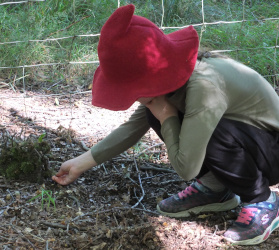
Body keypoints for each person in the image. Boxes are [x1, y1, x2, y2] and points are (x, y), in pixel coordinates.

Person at [52, 4, 279, 246]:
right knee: (153, 116)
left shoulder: (204, 88)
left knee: (206, 129)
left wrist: (168, 118)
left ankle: (261, 200)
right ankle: (217, 188)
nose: (129, 97)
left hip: (271, 150)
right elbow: (132, 128)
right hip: (250, 146)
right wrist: (80, 163)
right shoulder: (168, 86)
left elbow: (186, 168)